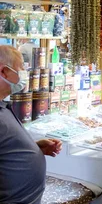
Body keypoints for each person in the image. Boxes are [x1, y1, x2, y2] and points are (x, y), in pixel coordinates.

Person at [0, 45, 62, 203]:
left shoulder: (3, 105)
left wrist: (33, 146)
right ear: (3, 72)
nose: (24, 74)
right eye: (20, 69)